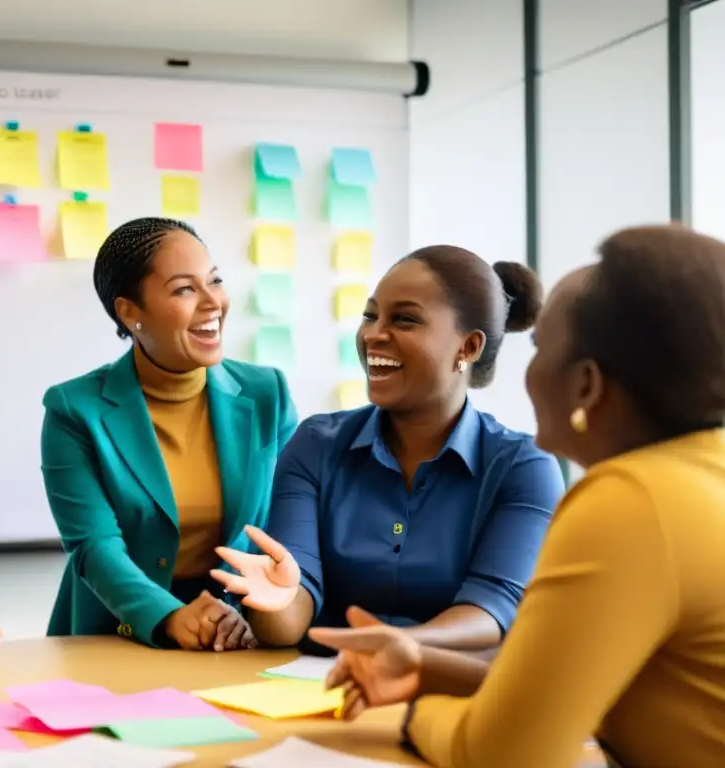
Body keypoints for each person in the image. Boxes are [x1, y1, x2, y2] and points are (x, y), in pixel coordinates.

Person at [310, 224, 725, 768]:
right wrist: (423, 665)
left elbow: (504, 755)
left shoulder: (628, 502)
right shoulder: (698, 476)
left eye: (541, 348)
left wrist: (418, 713)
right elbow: (566, 683)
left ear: (587, 385)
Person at [211, 247, 564, 654]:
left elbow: (490, 610)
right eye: (370, 316)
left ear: (467, 348)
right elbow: (290, 612)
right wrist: (278, 603)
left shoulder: (523, 467)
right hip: (320, 690)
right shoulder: (316, 444)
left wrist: (392, 645)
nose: (373, 334)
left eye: (404, 319)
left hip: (451, 693)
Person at [42, 217, 298, 651]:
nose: (212, 301)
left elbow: (290, 523)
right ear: (130, 311)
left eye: (214, 280)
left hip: (237, 632)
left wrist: (259, 610)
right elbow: (94, 547)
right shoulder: (75, 409)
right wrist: (169, 616)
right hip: (119, 632)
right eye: (184, 289)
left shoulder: (267, 393)